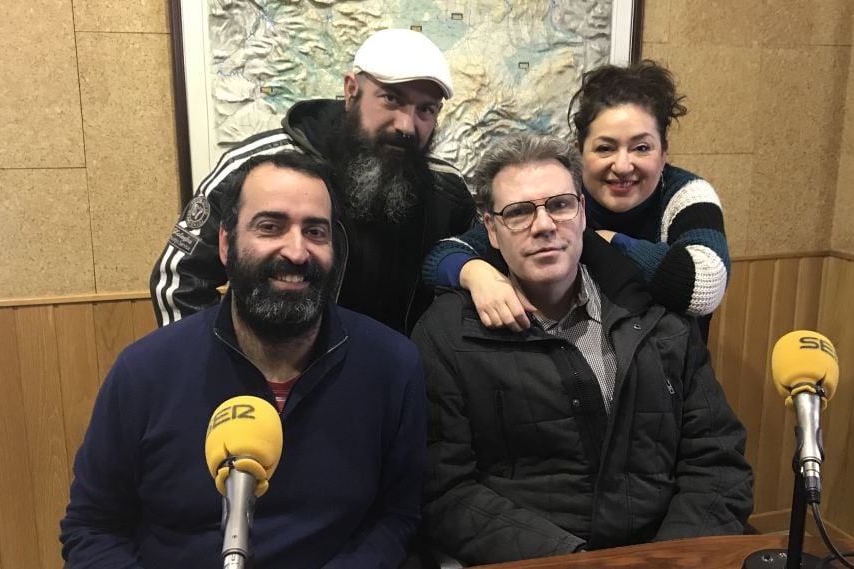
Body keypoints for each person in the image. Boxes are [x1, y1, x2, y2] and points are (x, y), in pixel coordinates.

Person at [62, 152, 427, 569]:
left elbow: (397, 517)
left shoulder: (393, 367)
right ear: (225, 243)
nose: (296, 251)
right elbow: (92, 528)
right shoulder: (143, 372)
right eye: (270, 226)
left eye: (315, 232)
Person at [411, 134, 752, 566]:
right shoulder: (447, 336)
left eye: (559, 205)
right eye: (518, 212)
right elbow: (445, 492)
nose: (544, 225)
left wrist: (672, 557)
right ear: (491, 231)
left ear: (582, 212)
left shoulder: (658, 319)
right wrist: (574, 561)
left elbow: (717, 461)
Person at [152, 28, 476, 334]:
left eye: (426, 110)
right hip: (279, 382)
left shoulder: (447, 191)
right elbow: (180, 281)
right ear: (351, 91)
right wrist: (218, 373)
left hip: (397, 381)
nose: (407, 124)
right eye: (391, 99)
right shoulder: (260, 166)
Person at [422, 61, 728, 339]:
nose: (622, 165)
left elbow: (704, 284)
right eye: (605, 148)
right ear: (579, 151)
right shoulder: (560, 201)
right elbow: (444, 254)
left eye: (642, 148)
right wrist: (476, 274)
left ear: (664, 151)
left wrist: (611, 242)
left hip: (671, 372)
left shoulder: (687, 195)